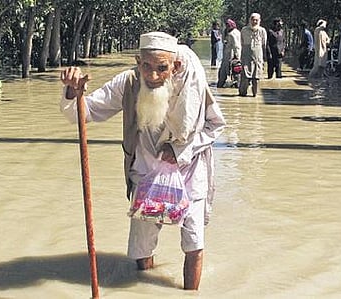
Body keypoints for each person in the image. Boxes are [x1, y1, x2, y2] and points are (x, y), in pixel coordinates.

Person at [59, 31, 226, 290]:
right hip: (146, 176)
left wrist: (180, 151)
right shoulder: (128, 83)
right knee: (141, 246)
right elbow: (83, 113)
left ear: (176, 66)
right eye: (146, 66)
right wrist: (73, 92)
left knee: (193, 243)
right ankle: (142, 288)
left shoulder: (192, 84)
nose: (153, 76)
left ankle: (191, 293)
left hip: (190, 173)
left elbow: (215, 126)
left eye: (162, 68)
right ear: (138, 61)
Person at [239, 12, 267, 97]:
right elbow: (241, 43)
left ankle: (255, 95)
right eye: (253, 19)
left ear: (259, 21)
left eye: (256, 20)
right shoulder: (244, 30)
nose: (254, 22)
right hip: (246, 57)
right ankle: (242, 94)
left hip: (258, 58)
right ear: (249, 20)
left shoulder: (262, 31)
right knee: (245, 77)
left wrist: (264, 59)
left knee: (256, 78)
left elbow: (264, 45)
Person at [217, 19, 241, 88]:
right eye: (226, 25)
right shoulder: (229, 32)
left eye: (228, 25)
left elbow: (236, 46)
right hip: (227, 55)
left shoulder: (233, 34)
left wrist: (237, 57)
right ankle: (221, 85)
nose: (227, 26)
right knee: (224, 72)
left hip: (232, 56)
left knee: (233, 73)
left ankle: (221, 85)